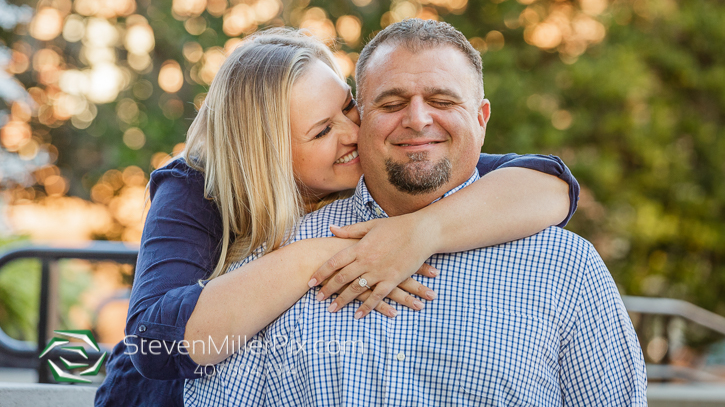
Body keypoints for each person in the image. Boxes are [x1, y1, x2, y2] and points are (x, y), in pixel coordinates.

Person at [96, 28, 580, 406]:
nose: (354, 133)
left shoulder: (383, 158)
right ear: (270, 156)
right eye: (324, 130)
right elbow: (157, 341)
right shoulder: (197, 186)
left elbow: (548, 186)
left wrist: (417, 233)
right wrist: (325, 254)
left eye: (349, 108)